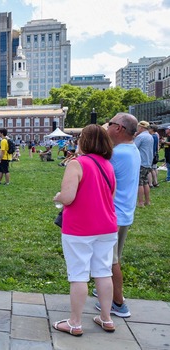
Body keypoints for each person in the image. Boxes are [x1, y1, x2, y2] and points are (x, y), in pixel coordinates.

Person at [52, 124, 117, 336]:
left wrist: (58, 197)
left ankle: (75, 322)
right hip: (107, 226)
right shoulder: (108, 165)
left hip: (80, 227)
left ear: (85, 141)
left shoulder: (77, 164)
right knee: (103, 272)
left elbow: (68, 197)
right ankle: (106, 318)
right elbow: (111, 197)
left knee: (78, 274)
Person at [91, 113, 140, 319]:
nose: (106, 126)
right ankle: (106, 290)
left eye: (109, 123)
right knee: (112, 258)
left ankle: (118, 303)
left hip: (112, 216)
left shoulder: (118, 154)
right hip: (123, 214)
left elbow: (93, 164)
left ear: (118, 128)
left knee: (110, 261)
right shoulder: (131, 150)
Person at [134, 121, 154, 207]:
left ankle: (141, 202)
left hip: (141, 162)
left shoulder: (140, 137)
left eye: (138, 127)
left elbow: (133, 148)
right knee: (145, 182)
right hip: (148, 162)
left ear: (141, 128)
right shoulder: (150, 136)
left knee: (139, 183)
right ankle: (147, 201)